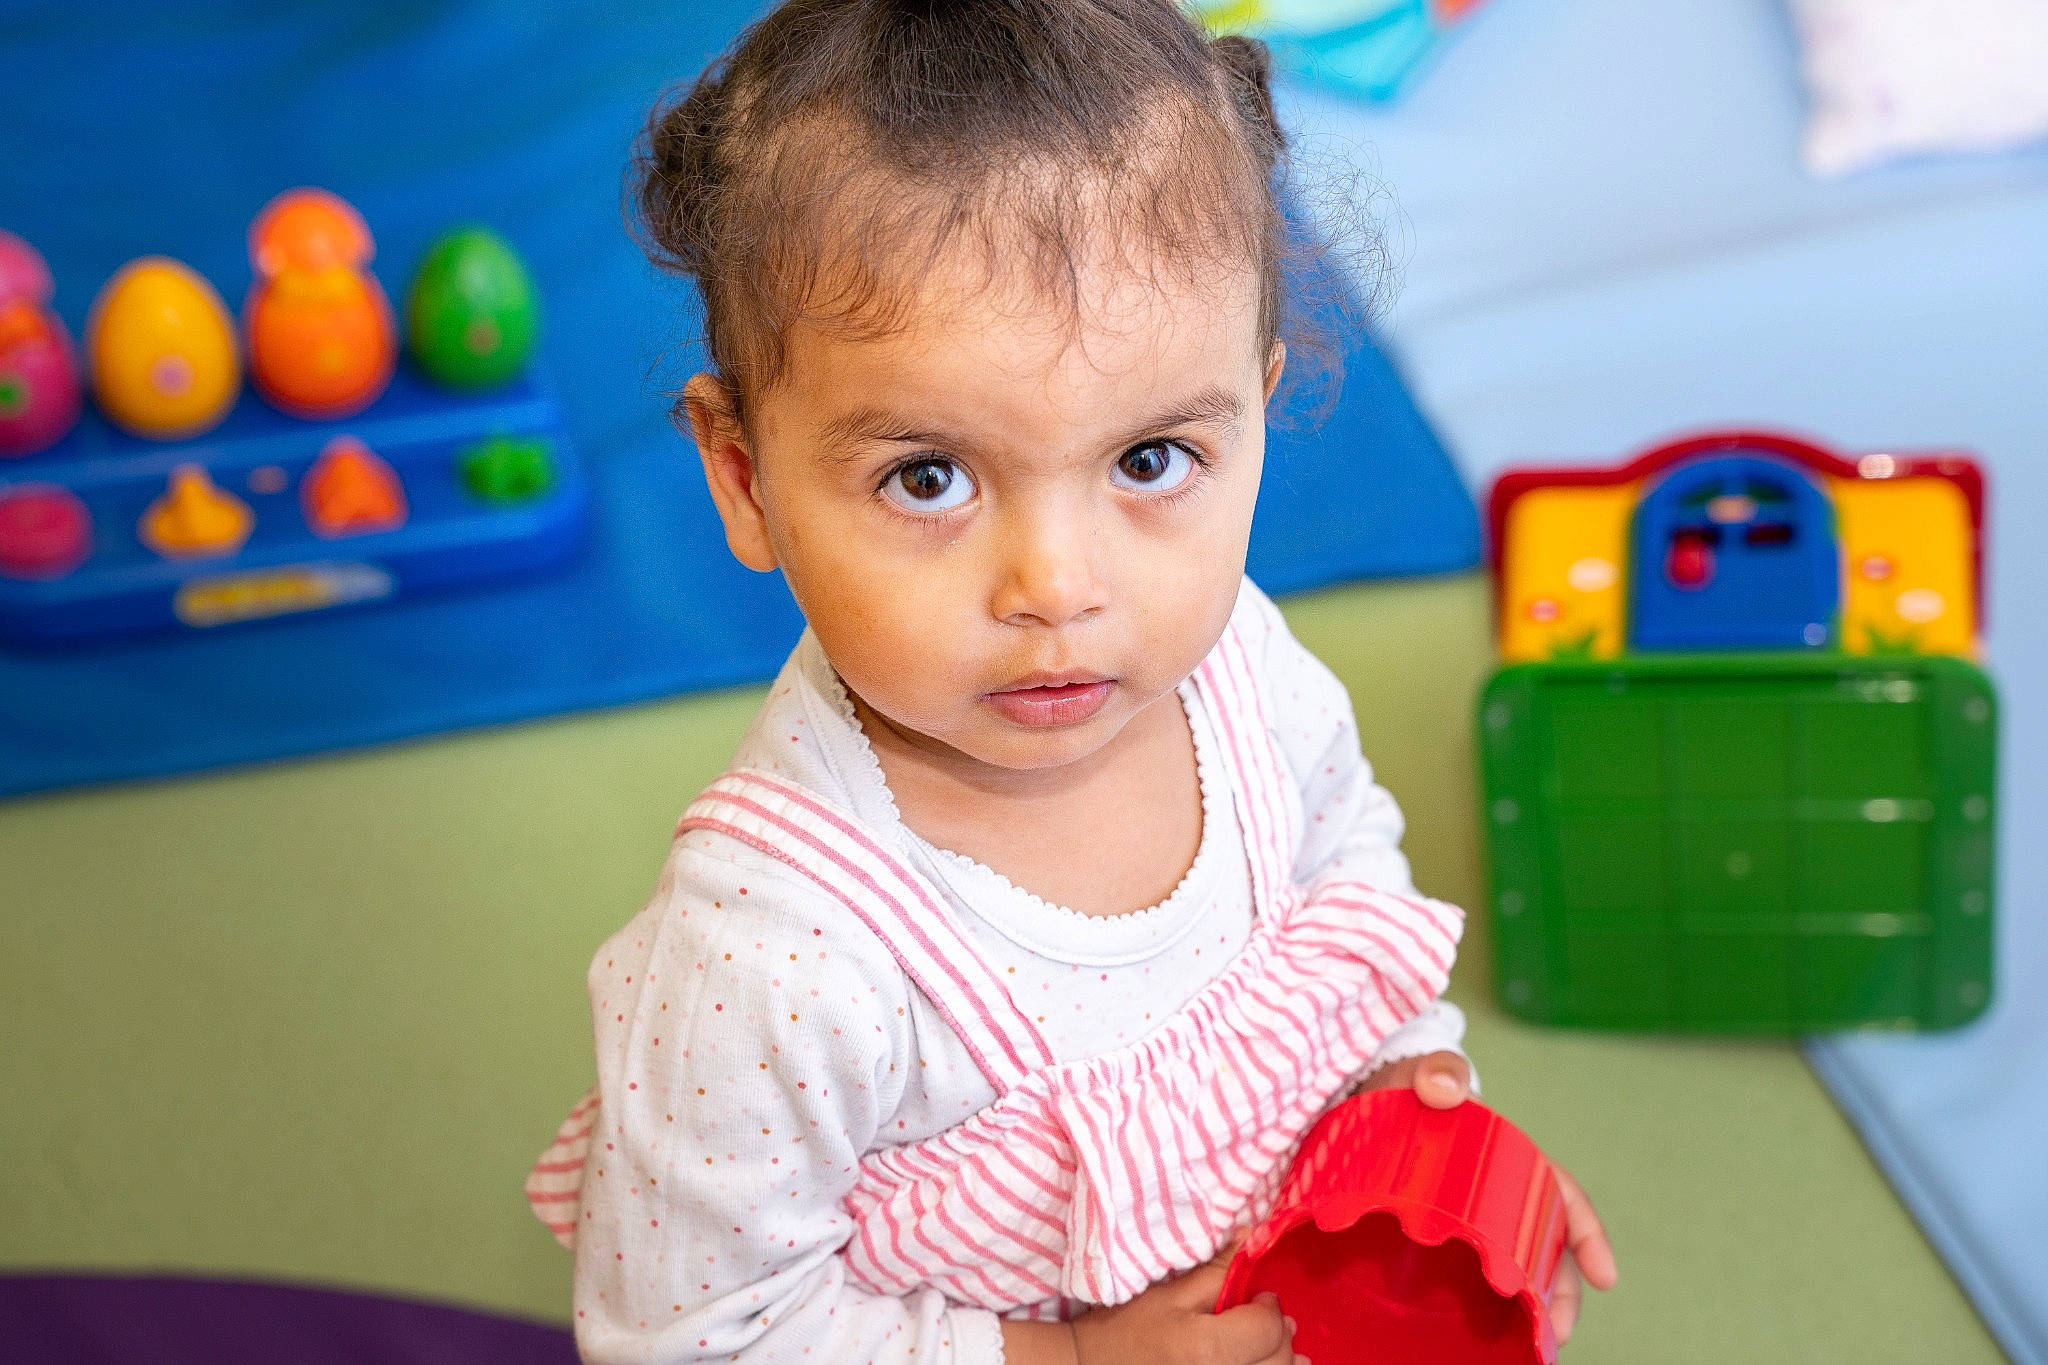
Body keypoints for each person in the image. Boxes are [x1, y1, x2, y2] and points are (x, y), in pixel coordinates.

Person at [526, 2, 1616, 1360]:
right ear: (745, 478)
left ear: (1257, 415)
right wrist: (1077, 1357)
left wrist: (1414, 1107)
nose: (1057, 584)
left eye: (1150, 459)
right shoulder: (775, 954)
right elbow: (695, 1334)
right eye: (929, 476)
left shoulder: (1238, 662)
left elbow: (1345, 865)